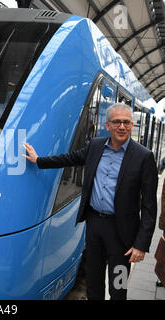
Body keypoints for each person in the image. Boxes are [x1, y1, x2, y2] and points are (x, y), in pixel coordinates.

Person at [23, 103, 158, 300]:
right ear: (108, 125)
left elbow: (149, 206)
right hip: (95, 226)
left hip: (123, 235)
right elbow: (70, 158)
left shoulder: (144, 157)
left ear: (131, 125)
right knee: (93, 282)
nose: (122, 126)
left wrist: (141, 244)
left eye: (127, 122)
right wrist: (39, 160)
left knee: (118, 287)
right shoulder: (95, 146)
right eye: (117, 122)